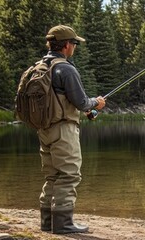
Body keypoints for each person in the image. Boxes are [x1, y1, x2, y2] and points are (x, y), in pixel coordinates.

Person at [37, 25, 105, 234]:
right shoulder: (65, 68)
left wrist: (84, 107)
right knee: (69, 174)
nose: (74, 47)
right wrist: (97, 103)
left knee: (53, 176)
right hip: (63, 130)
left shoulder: (40, 66)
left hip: (44, 129)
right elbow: (83, 102)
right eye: (74, 43)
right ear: (67, 45)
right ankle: (64, 224)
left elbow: (61, 99)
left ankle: (48, 223)